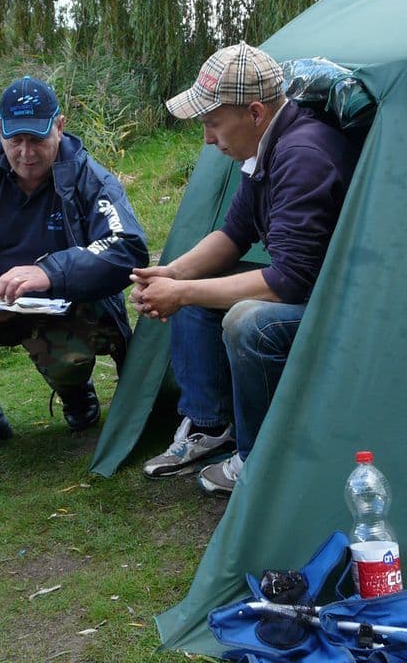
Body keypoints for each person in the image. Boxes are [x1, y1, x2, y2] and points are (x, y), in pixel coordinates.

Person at [131, 42, 359, 496]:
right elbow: (234, 233)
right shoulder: (267, 146)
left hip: (346, 307)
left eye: (212, 123)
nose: (207, 138)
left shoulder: (303, 154)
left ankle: (258, 460)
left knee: (247, 321)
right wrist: (173, 275)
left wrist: (184, 293)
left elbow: (289, 282)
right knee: (197, 287)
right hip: (309, 288)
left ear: (255, 113)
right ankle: (212, 427)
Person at [0, 76, 149, 475]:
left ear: (60, 125)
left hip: (67, 304)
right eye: (15, 139)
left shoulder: (90, 177)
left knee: (71, 363)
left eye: (37, 138)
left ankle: (75, 391)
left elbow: (126, 246)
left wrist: (49, 272)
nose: (25, 153)